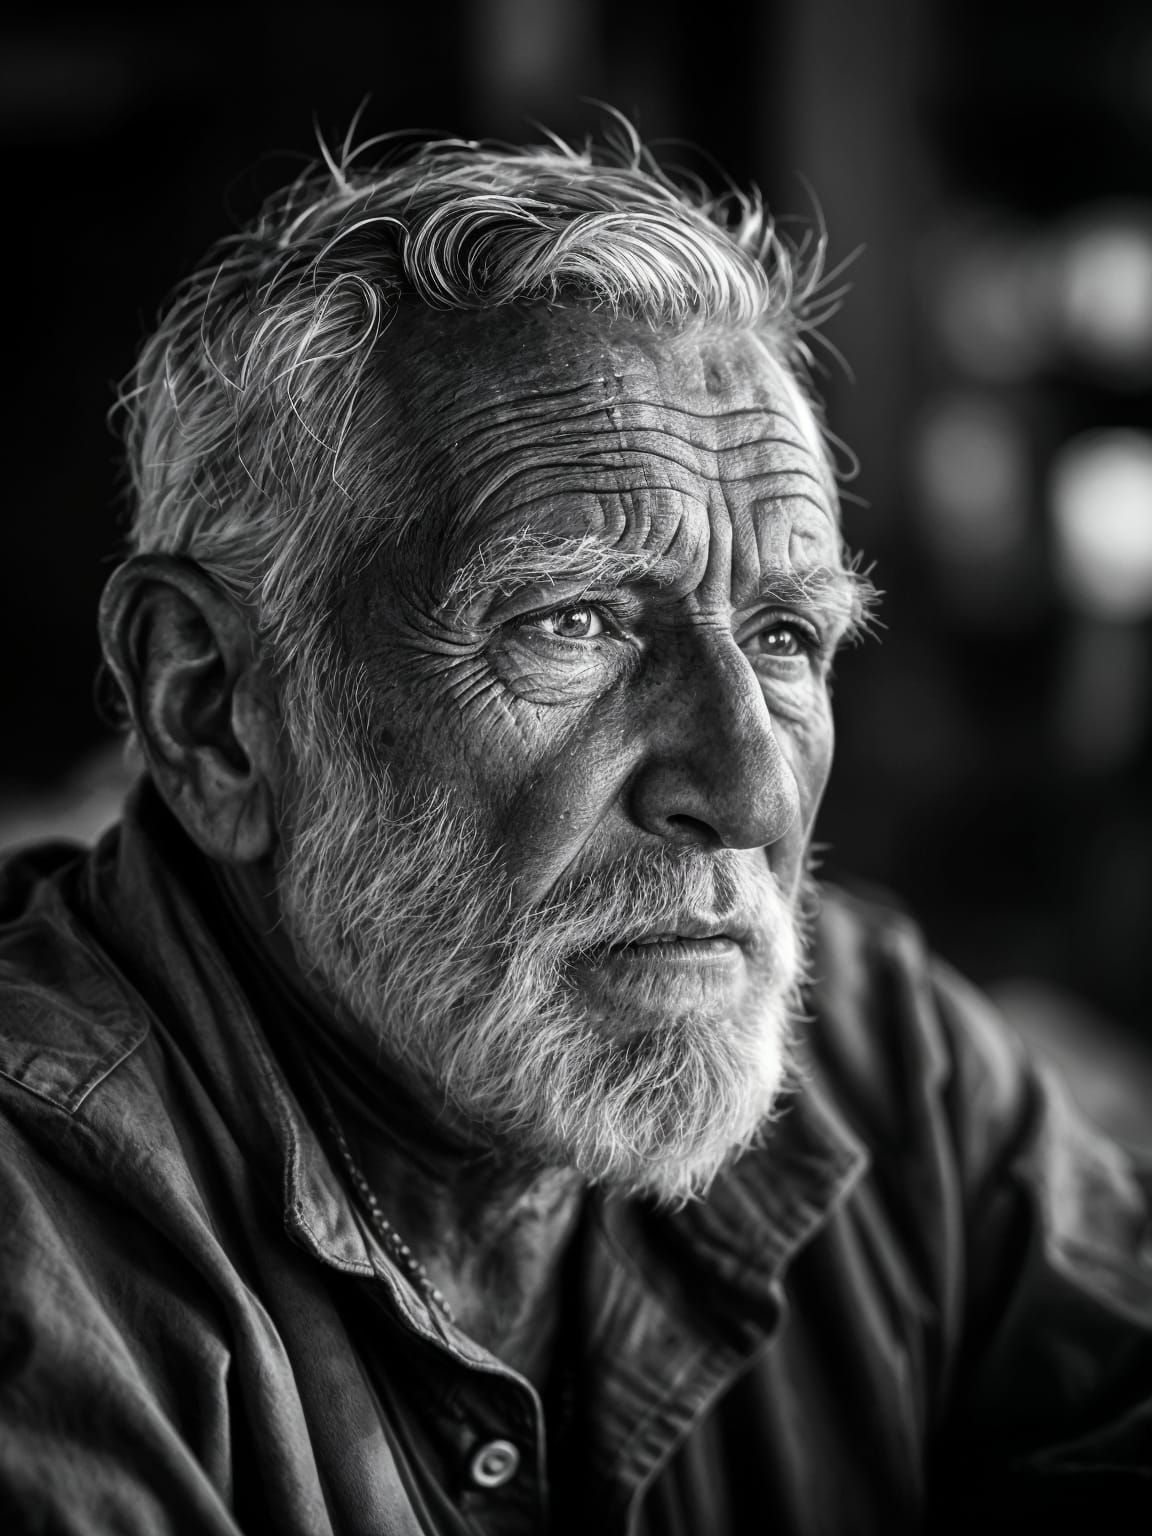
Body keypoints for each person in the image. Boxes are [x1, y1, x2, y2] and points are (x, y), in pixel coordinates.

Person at [0, 120, 1149, 1536]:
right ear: (213, 707)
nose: (746, 791)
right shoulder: (40, 1237)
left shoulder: (876, 1058)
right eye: (576, 623)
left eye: (787, 636)